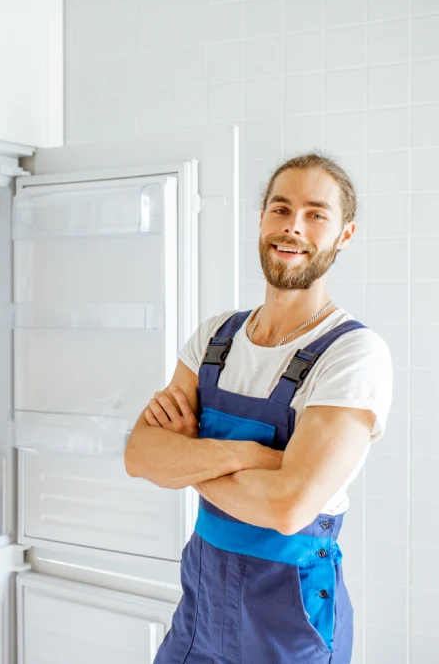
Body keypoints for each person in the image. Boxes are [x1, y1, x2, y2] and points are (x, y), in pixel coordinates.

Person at [125, 152, 393, 664]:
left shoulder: (353, 354)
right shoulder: (214, 338)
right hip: (200, 608)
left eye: (316, 214)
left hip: (289, 622)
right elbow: (140, 456)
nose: (293, 227)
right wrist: (255, 456)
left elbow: (288, 508)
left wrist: (188, 458)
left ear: (345, 234)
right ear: (262, 219)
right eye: (280, 208)